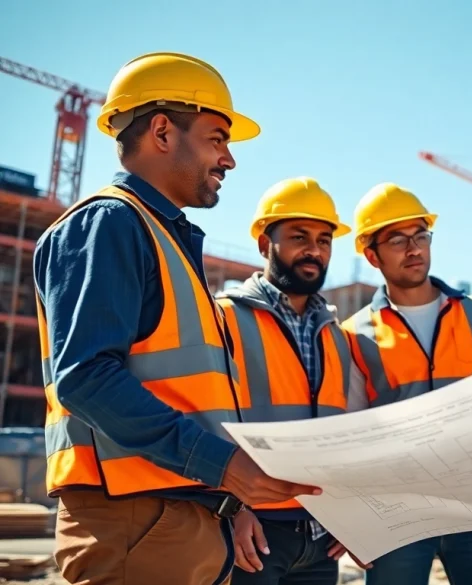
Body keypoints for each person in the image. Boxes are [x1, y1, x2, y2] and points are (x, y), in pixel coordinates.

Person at [33, 52, 320, 585]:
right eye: (217, 138)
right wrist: (226, 468)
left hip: (181, 519)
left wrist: (226, 502)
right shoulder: (110, 224)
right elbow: (86, 378)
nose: (229, 159)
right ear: (162, 132)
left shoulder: (164, 240)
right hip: (135, 521)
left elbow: (182, 396)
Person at [339, 183, 472, 585]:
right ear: (371, 255)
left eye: (420, 236)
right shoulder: (355, 333)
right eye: (397, 240)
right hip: (398, 513)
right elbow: (350, 434)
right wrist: (355, 520)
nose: (414, 249)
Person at [218, 177, 359, 584]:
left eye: (324, 240)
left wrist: (349, 512)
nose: (314, 250)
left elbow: (342, 432)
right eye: (299, 237)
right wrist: (229, 509)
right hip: (252, 530)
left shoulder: (336, 335)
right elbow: (204, 419)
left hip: (321, 535)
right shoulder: (223, 317)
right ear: (265, 245)